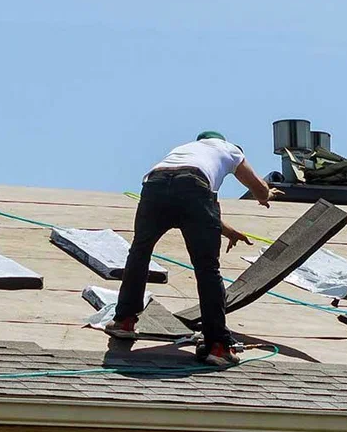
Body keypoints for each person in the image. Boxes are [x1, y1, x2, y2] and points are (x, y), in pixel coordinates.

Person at [106, 131, 276, 367]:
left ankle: (124, 321)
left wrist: (228, 231)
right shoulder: (229, 149)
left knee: (139, 252)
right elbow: (254, 186)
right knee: (207, 268)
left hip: (155, 184)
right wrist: (266, 193)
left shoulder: (184, 151)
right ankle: (218, 345)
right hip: (194, 188)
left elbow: (186, 201)